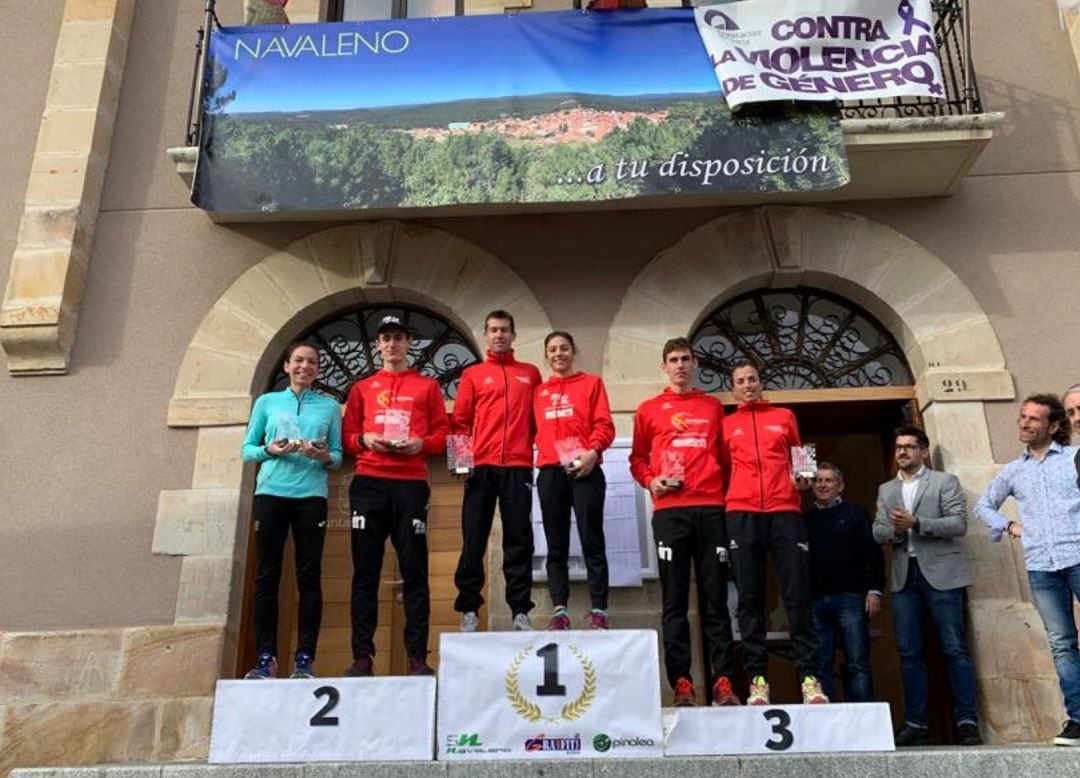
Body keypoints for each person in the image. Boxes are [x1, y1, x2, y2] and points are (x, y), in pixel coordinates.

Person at [629, 338, 739, 707]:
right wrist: (651, 481)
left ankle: (723, 681)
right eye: (673, 360)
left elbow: (726, 458)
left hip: (711, 509)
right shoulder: (648, 410)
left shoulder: (712, 407)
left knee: (716, 600)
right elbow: (637, 458)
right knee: (674, 601)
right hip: (670, 513)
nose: (680, 365)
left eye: (685, 359)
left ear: (695, 365)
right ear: (664, 367)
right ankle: (681, 683)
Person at [341, 315, 449, 676]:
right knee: (365, 573)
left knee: (415, 571)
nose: (392, 344)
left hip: (410, 484)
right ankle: (362, 656)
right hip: (369, 482)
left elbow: (441, 435)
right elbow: (348, 436)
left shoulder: (428, 387)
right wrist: (364, 441)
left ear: (408, 343)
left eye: (398, 338)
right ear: (378, 345)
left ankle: (417, 656)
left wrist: (421, 443)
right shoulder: (362, 388)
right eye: (385, 338)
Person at [975, 394, 1080, 747]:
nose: (1024, 423)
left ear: (1053, 426)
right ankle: (1078, 719)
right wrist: (1009, 526)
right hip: (1041, 566)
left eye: (1034, 419)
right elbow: (983, 505)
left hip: (1078, 555)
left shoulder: (1073, 459)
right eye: (1023, 417)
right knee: (1062, 643)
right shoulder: (1013, 471)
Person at [721, 360, 827, 705]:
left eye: (752, 379)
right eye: (741, 381)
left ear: (761, 383)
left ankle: (810, 679)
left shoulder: (784, 417)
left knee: (797, 595)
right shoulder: (726, 424)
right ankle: (757, 681)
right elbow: (721, 468)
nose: (748, 385)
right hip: (742, 511)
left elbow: (801, 458)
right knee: (749, 599)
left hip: (785, 510)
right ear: (733, 389)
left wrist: (805, 479)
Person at [873, 425, 981, 746]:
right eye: (898, 447)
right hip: (905, 575)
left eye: (909, 446)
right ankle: (916, 723)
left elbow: (958, 523)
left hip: (942, 574)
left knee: (955, 648)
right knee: (908, 652)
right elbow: (878, 531)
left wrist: (917, 523)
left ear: (923, 451)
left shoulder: (944, 482)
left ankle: (966, 720)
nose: (902, 452)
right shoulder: (886, 489)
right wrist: (894, 531)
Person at [240, 341, 342, 679]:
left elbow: (338, 456)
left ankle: (304, 660)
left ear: (318, 369)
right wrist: (269, 450)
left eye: (312, 362)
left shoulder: (328, 407)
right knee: (267, 576)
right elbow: (247, 450)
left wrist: (323, 455)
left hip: (311, 497)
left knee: (309, 577)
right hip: (271, 493)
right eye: (298, 360)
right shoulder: (267, 403)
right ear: (286, 366)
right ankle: (267, 657)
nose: (305, 366)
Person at [452, 310, 542, 632]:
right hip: (481, 467)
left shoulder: (530, 374)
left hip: (517, 467)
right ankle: (468, 610)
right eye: (493, 329)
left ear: (513, 334)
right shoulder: (473, 374)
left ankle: (520, 610)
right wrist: (460, 462)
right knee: (473, 538)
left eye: (504, 329)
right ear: (486, 335)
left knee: (519, 539)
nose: (499, 334)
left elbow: (538, 422)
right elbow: (460, 421)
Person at [534, 331, 616, 630]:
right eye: (553, 349)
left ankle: (599, 610)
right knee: (556, 545)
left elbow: (605, 424)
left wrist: (592, 453)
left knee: (591, 539)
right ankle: (560, 612)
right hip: (550, 471)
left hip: (585, 469)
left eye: (564, 348)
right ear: (546, 355)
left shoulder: (591, 383)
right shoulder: (538, 392)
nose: (558, 354)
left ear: (573, 351)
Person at [803, 463, 884, 702]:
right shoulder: (802, 520)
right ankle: (827, 724)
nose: (823, 485)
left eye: (829, 481)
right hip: (815, 600)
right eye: (818, 480)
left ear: (841, 486)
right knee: (820, 664)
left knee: (857, 661)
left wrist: (875, 590)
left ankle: (864, 724)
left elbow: (874, 554)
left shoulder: (856, 514)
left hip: (851, 598)